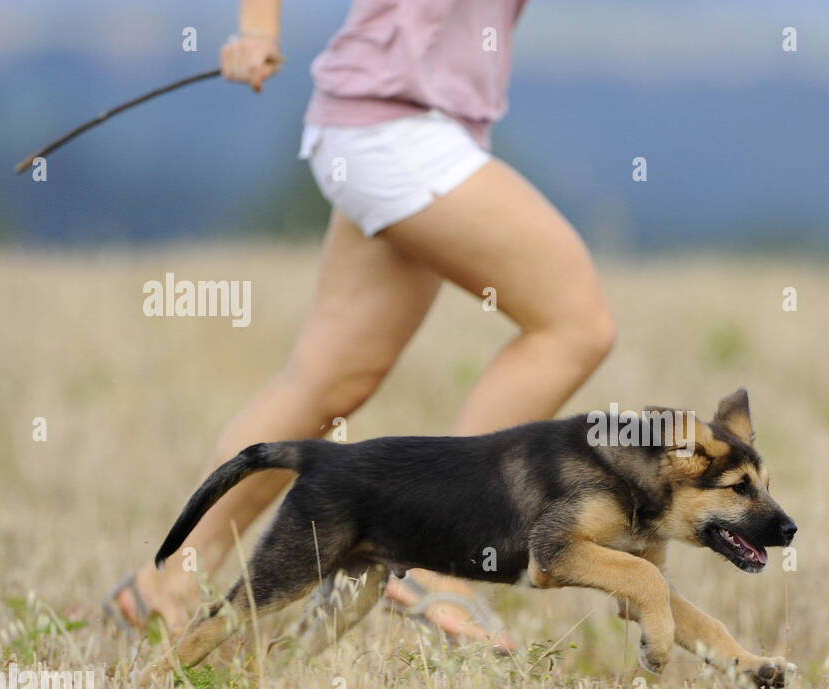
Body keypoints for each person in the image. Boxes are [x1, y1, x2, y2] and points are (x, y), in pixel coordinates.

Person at [108, 0, 615, 649]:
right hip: (395, 127)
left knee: (328, 381)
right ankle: (439, 565)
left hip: (397, 123)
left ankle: (165, 585)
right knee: (576, 325)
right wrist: (258, 28)